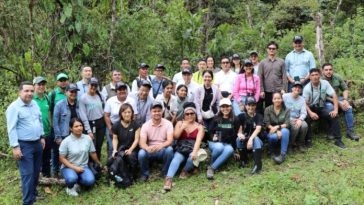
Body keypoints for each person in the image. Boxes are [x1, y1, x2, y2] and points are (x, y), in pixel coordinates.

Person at [6, 81, 45, 205]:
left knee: (35, 172)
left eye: (31, 91)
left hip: (37, 143)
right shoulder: (14, 107)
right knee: (27, 174)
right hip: (24, 145)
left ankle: (32, 195)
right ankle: (27, 202)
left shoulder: (34, 104)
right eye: (26, 91)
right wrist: (15, 147)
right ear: (20, 92)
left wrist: (42, 136)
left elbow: (39, 120)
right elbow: (11, 128)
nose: (29, 93)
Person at [164, 103, 204, 191]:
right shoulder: (179, 123)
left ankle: (184, 171)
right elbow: (176, 137)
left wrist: (194, 152)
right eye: (187, 114)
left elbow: (198, 141)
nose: (189, 115)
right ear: (184, 115)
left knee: (192, 157)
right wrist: (182, 128)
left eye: (192, 113)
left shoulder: (199, 127)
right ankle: (168, 179)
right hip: (181, 148)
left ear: (195, 114)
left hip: (192, 148)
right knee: (176, 159)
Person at [303, 69, 346, 149]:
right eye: (312, 75)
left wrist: (335, 110)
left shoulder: (325, 83)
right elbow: (304, 103)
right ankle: (308, 140)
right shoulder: (307, 88)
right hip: (311, 108)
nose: (315, 77)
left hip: (321, 107)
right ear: (309, 77)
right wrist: (311, 113)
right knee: (307, 118)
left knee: (333, 115)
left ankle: (338, 140)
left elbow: (334, 95)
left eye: (316, 74)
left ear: (320, 75)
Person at [59, 118, 102, 196]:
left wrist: (98, 163)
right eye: (76, 126)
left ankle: (77, 183)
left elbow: (92, 153)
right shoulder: (66, 141)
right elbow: (62, 158)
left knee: (90, 181)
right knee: (71, 178)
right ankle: (70, 187)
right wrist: (74, 168)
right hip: (68, 167)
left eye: (80, 125)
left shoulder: (87, 138)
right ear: (71, 129)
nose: (79, 128)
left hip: (83, 167)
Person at [321, 63, 359, 141]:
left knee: (348, 107)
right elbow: (324, 97)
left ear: (333, 70)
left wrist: (345, 100)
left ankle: (350, 131)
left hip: (338, 98)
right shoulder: (321, 80)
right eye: (326, 70)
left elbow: (345, 89)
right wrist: (338, 103)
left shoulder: (337, 77)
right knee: (330, 107)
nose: (328, 71)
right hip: (326, 101)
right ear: (323, 71)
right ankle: (332, 131)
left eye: (330, 69)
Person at [138, 101, 174, 182]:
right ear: (150, 112)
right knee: (141, 153)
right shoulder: (145, 125)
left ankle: (165, 173)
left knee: (170, 150)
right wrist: (147, 148)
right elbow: (142, 142)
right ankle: (144, 174)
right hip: (150, 150)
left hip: (162, 149)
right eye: (154, 111)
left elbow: (170, 140)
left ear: (162, 112)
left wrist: (160, 146)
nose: (157, 113)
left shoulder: (168, 124)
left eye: (159, 111)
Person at [206, 98, 239, 179]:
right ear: (220, 108)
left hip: (227, 143)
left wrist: (235, 150)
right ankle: (214, 165)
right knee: (219, 147)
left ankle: (212, 168)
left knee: (229, 150)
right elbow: (209, 132)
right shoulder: (216, 118)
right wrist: (212, 136)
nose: (225, 109)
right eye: (223, 107)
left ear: (230, 107)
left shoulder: (235, 119)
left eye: (227, 106)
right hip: (214, 143)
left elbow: (235, 135)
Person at [53, 84, 81, 175]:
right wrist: (58, 137)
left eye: (75, 92)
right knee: (61, 155)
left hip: (77, 134)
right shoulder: (59, 105)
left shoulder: (79, 104)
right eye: (71, 91)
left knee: (74, 154)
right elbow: (55, 122)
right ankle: (57, 172)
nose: (73, 93)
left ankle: (74, 172)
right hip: (64, 134)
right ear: (66, 92)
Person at [104, 82, 138, 157]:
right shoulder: (110, 101)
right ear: (116, 91)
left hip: (128, 126)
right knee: (112, 147)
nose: (122, 91)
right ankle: (111, 164)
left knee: (126, 146)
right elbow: (106, 115)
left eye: (124, 89)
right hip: (113, 126)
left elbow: (134, 115)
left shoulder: (132, 101)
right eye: (120, 89)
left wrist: (130, 127)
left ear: (127, 91)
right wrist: (110, 128)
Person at [111, 103, 141, 181]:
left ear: (132, 113)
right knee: (112, 159)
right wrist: (114, 149)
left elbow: (137, 139)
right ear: (121, 113)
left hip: (133, 148)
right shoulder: (116, 125)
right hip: (120, 148)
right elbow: (115, 138)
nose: (127, 114)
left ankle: (133, 176)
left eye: (129, 112)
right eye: (124, 112)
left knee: (130, 157)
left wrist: (130, 149)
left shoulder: (136, 124)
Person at [79, 77, 106, 159]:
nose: (93, 87)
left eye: (95, 85)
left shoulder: (100, 95)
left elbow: (104, 108)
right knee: (91, 145)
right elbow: (83, 116)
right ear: (88, 85)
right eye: (92, 85)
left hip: (101, 123)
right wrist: (89, 131)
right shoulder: (83, 98)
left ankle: (98, 164)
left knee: (99, 144)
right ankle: (91, 164)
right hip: (90, 124)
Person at [236, 97, 263, 174]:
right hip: (245, 140)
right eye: (249, 105)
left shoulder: (259, 116)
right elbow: (239, 130)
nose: (251, 107)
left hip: (257, 142)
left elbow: (258, 129)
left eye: (253, 105)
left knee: (256, 138)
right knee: (238, 139)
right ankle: (244, 160)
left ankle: (258, 165)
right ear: (245, 106)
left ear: (255, 106)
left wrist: (251, 139)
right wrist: (239, 134)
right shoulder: (241, 116)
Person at [258, 41, 287, 108]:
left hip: (279, 90)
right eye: (270, 48)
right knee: (268, 108)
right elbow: (260, 77)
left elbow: (284, 76)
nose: (271, 50)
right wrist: (261, 90)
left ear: (276, 50)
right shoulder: (262, 63)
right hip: (267, 91)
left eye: (273, 48)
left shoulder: (281, 62)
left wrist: (284, 89)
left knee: (280, 108)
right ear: (267, 49)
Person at [264, 92, 290, 164]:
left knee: (285, 131)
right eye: (275, 98)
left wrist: (278, 127)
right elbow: (267, 123)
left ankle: (282, 155)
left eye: (279, 98)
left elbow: (287, 123)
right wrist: (276, 130)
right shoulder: (267, 109)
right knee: (273, 137)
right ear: (272, 100)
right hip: (270, 130)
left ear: (281, 99)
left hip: (281, 129)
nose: (277, 100)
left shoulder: (287, 110)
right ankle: (271, 151)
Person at [33, 77, 52, 178]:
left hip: (47, 133)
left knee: (47, 157)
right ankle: (36, 178)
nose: (41, 86)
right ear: (34, 86)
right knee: (37, 157)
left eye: (43, 84)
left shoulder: (47, 98)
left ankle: (46, 178)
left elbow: (49, 113)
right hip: (36, 135)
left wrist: (50, 124)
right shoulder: (30, 99)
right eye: (39, 84)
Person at [283, 81, 308, 151]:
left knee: (304, 126)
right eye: (295, 87)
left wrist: (300, 119)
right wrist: (290, 119)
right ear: (292, 88)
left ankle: (300, 143)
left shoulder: (302, 99)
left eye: (299, 87)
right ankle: (290, 145)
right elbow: (280, 109)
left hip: (297, 118)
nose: (297, 89)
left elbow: (304, 112)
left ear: (301, 90)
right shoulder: (285, 96)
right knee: (296, 127)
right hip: (287, 118)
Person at [194, 70, 220, 137]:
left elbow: (218, 103)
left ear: (212, 78)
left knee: (210, 132)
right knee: (203, 132)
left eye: (209, 77)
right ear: (202, 77)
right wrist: (199, 116)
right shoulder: (198, 88)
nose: (207, 78)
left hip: (212, 114)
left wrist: (217, 114)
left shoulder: (216, 89)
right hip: (201, 114)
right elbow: (196, 103)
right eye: (205, 76)